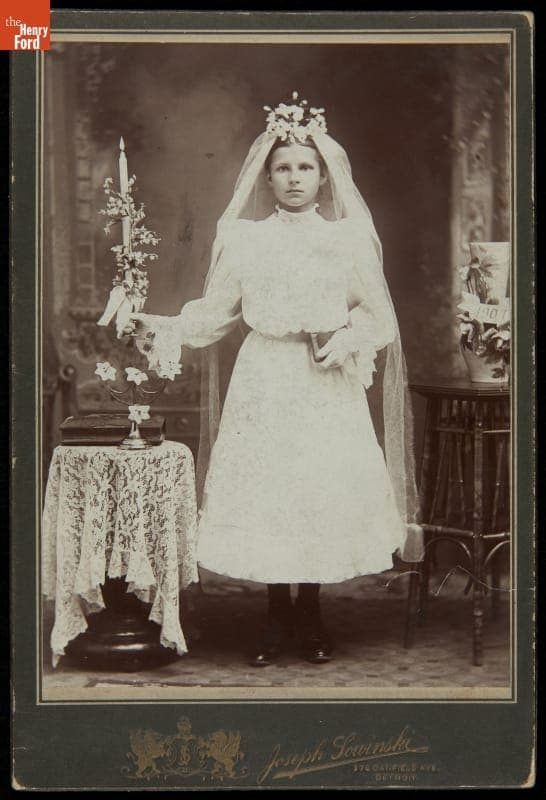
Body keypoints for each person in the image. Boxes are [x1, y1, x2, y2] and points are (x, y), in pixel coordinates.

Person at [127, 92, 417, 666]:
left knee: (315, 491)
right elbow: (215, 315)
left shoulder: (346, 238)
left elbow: (378, 317)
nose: (294, 178)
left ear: (325, 177)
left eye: (305, 167)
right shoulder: (245, 238)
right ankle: (275, 615)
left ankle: (310, 614)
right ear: (266, 176)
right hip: (264, 378)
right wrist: (161, 326)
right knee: (272, 493)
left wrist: (343, 342)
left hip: (323, 381)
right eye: (283, 168)